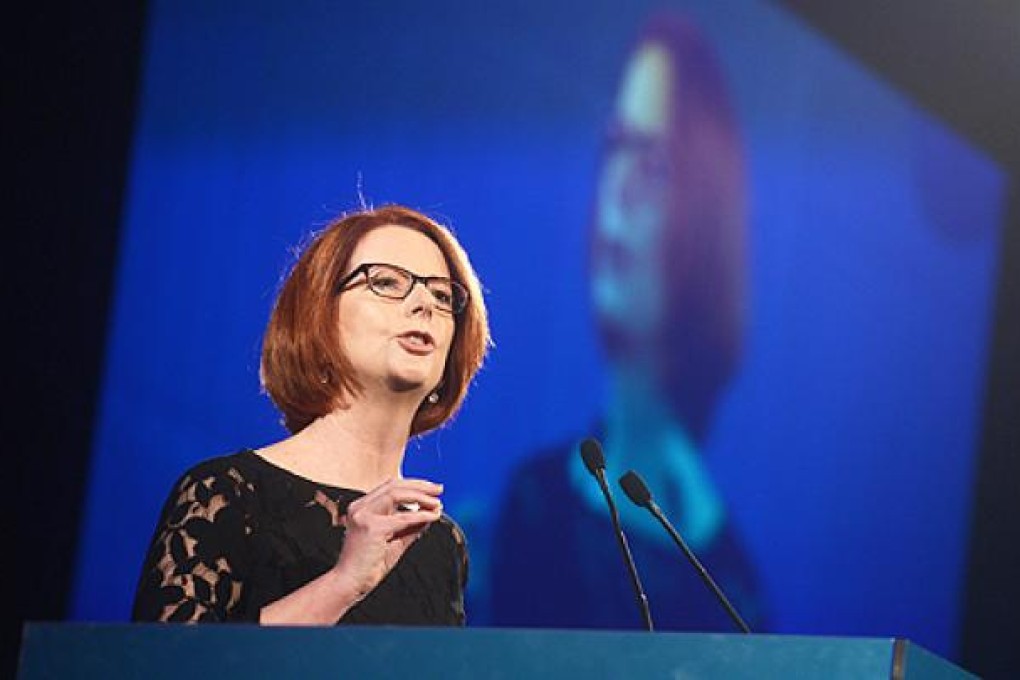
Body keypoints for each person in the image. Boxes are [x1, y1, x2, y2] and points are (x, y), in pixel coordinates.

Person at [490, 14, 767, 631]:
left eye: (656, 165)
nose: (619, 191)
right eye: (616, 149)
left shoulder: (733, 586)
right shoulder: (537, 506)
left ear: (707, 211)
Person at [132, 204, 490, 625]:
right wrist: (343, 583)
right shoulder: (224, 495)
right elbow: (164, 668)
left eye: (443, 295)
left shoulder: (441, 543)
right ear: (319, 313)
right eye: (387, 282)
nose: (422, 304)